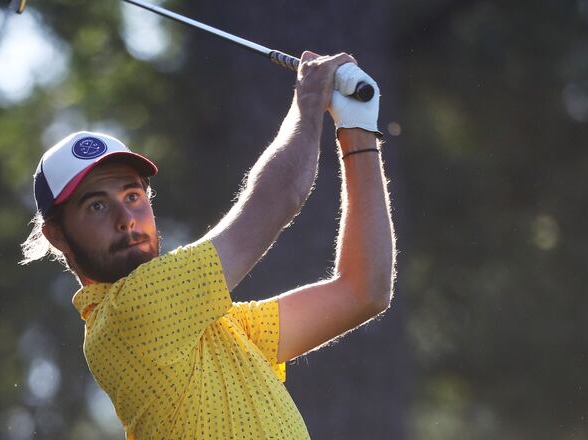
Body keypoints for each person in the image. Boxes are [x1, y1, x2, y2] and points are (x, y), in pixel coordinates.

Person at [20, 51, 395, 439]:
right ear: (58, 236)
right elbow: (279, 196)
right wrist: (309, 98)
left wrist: (358, 132)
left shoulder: (216, 328)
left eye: (132, 195)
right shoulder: (131, 314)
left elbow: (363, 291)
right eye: (96, 205)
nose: (125, 218)